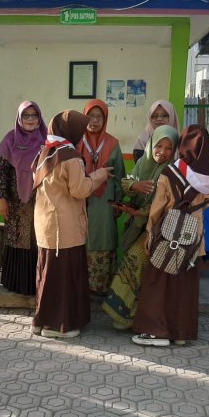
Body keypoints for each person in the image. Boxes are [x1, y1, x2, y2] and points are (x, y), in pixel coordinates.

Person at [132, 125, 209, 347]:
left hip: (168, 237)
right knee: (185, 288)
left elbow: (157, 208)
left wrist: (151, 233)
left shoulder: (170, 173)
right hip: (193, 240)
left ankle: (157, 333)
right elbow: (207, 205)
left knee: (159, 286)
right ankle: (181, 334)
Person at [31, 110, 113, 339]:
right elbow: (80, 189)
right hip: (65, 229)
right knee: (64, 278)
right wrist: (99, 175)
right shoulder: (71, 156)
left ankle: (41, 321)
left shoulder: (45, 151)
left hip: (46, 226)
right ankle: (60, 326)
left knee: (47, 275)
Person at [102, 125, 180, 329]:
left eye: (168, 148)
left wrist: (142, 213)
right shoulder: (141, 163)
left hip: (159, 229)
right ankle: (130, 314)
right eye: (158, 146)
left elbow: (167, 206)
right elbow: (125, 184)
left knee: (135, 260)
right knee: (135, 266)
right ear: (151, 144)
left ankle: (127, 314)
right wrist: (134, 186)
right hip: (136, 225)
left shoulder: (173, 172)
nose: (162, 152)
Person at [0, 101, 47, 295]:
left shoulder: (46, 140)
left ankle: (37, 283)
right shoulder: (10, 140)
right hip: (15, 202)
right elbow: (2, 173)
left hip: (40, 200)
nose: (30, 119)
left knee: (37, 239)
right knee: (17, 238)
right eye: (26, 115)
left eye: (34, 115)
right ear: (19, 117)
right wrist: (2, 199)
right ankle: (16, 282)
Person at [77, 99, 125, 295]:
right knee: (81, 236)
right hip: (81, 199)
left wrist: (118, 203)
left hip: (105, 200)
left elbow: (120, 176)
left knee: (103, 237)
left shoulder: (113, 143)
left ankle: (101, 285)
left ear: (105, 119)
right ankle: (81, 284)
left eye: (99, 117)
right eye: (90, 116)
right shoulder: (77, 142)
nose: (94, 121)